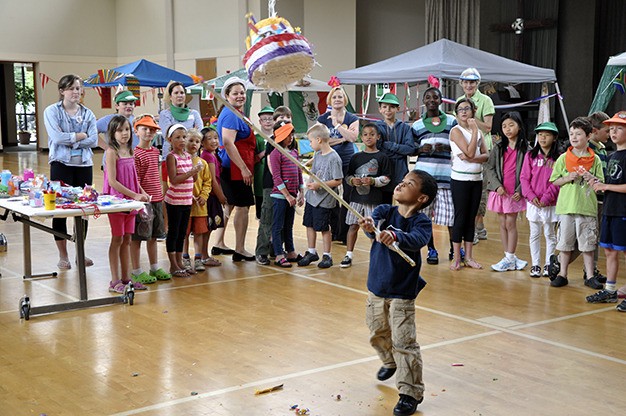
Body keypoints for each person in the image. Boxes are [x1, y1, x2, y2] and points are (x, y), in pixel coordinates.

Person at [358, 170, 437, 416]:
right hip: (377, 287)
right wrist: (369, 227)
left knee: (404, 342)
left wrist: (395, 236)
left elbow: (416, 239)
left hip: (402, 292)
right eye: (402, 180)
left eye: (409, 183)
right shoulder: (384, 211)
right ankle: (389, 361)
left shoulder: (421, 222)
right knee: (377, 332)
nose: (401, 184)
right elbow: (373, 226)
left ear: (421, 198)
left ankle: (409, 393)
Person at [43, 74, 98, 270]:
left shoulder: (88, 114)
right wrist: (80, 136)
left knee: (83, 210)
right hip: (61, 164)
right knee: (60, 211)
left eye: (78, 88)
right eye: (72, 88)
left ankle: (80, 253)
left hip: (84, 165)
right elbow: (56, 137)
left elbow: (94, 140)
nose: (76, 92)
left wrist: (73, 138)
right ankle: (63, 255)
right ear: (62, 91)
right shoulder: (52, 111)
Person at [548, 117, 604, 288]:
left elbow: (600, 185)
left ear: (588, 136)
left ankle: (589, 275)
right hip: (567, 207)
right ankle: (563, 274)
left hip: (586, 208)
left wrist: (591, 178)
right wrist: (567, 177)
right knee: (565, 243)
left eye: (578, 134)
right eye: (572, 133)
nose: (574, 137)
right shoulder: (564, 158)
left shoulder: (595, 160)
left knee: (587, 245)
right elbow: (554, 180)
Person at [102, 115, 150, 293]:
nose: (124, 134)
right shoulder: (111, 152)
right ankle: (114, 281)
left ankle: (126, 277)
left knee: (127, 238)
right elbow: (113, 181)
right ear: (112, 133)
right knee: (117, 238)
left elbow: (134, 177)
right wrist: (134, 195)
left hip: (130, 202)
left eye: (127, 130)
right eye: (120, 130)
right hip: (117, 202)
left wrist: (142, 192)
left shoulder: (131, 151)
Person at [411, 87, 456, 264]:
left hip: (446, 178)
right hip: (424, 178)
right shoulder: (417, 125)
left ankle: (455, 248)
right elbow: (411, 148)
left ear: (441, 100)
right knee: (425, 217)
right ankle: (431, 249)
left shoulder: (452, 122)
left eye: (435, 97)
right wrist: (420, 149)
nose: (431, 100)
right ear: (424, 101)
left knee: (450, 217)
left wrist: (447, 148)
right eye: (428, 97)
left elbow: (460, 144)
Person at [587, 111, 626, 311]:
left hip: (623, 211)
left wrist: (606, 187)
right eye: (611, 128)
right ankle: (610, 290)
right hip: (610, 209)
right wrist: (596, 182)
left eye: (619, 128)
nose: (613, 132)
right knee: (609, 250)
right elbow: (611, 183)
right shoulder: (612, 156)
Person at [214, 77, 256, 261]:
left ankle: (219, 243)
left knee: (229, 206)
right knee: (242, 207)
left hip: (233, 166)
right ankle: (240, 248)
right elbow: (228, 143)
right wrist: (244, 168)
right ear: (227, 96)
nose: (240, 96)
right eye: (235, 93)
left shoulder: (235, 112)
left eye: (242, 93)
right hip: (235, 168)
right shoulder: (231, 115)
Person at [341, 123, 391, 268]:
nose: (368, 137)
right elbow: (348, 176)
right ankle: (348, 255)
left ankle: (376, 257)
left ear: (378, 137)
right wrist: (352, 181)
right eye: (365, 134)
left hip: (373, 200)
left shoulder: (382, 157)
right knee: (352, 226)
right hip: (356, 199)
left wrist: (373, 181)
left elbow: (387, 178)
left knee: (374, 229)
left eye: (372, 134)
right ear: (361, 137)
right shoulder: (355, 157)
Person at [130, 114, 171, 283]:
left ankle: (154, 267)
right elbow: (135, 179)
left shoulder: (155, 152)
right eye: (144, 129)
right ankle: (136, 270)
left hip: (156, 200)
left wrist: (160, 197)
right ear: (136, 131)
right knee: (139, 237)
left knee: (154, 235)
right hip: (143, 202)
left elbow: (156, 175)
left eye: (152, 130)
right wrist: (142, 196)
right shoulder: (136, 154)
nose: (148, 132)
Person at [485, 112, 529, 272]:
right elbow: (489, 167)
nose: (507, 129)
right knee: (502, 223)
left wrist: (520, 190)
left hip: (515, 193)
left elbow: (528, 172)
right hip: (501, 192)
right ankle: (509, 256)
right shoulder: (498, 147)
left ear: (519, 126)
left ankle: (510, 257)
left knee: (510, 223)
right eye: (504, 126)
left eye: (511, 125)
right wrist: (497, 186)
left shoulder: (526, 148)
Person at [456, 67, 495, 242]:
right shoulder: (458, 100)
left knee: (480, 190)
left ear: (478, 83)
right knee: (464, 187)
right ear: (461, 84)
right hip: (464, 149)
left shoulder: (486, 100)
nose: (468, 85)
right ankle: (473, 227)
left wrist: (471, 119)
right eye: (465, 82)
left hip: (482, 150)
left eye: (472, 82)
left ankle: (478, 226)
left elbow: (488, 127)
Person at [448, 99, 488, 270]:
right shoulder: (455, 131)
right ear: (456, 113)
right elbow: (471, 151)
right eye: (460, 109)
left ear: (473, 111)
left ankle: (469, 257)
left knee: (471, 218)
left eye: (467, 108)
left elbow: (486, 155)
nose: (464, 112)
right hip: (460, 180)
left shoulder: (477, 131)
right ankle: (457, 257)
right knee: (460, 217)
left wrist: (472, 157)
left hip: (476, 179)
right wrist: (473, 132)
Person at [297, 123, 343, 268]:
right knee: (309, 224)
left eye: (310, 141)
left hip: (325, 199)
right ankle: (311, 251)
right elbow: (314, 172)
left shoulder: (334, 158)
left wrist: (319, 185)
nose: (310, 144)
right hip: (313, 198)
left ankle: (327, 255)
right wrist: (310, 184)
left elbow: (338, 180)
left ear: (319, 140)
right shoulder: (317, 155)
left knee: (324, 227)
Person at [317, 86, 359, 243]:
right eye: (334, 97)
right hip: (328, 161)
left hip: (348, 161)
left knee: (348, 196)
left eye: (340, 97)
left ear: (345, 99)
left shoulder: (352, 118)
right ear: (330, 100)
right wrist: (342, 138)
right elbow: (319, 141)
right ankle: (333, 229)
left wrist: (336, 126)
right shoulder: (322, 119)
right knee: (330, 196)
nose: (337, 100)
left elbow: (354, 138)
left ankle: (343, 233)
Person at [520, 122, 561, 277]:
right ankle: (536, 264)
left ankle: (548, 265)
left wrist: (546, 198)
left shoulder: (559, 158)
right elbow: (524, 178)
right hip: (533, 203)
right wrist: (531, 196)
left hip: (550, 203)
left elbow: (558, 180)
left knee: (550, 234)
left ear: (555, 137)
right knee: (534, 234)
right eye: (540, 134)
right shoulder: (530, 155)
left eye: (547, 134)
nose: (543, 138)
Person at [164, 124, 204, 277]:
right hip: (174, 201)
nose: (182, 140)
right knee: (173, 232)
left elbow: (192, 179)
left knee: (182, 233)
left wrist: (196, 171)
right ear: (170, 140)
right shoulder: (171, 157)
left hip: (186, 200)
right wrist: (191, 172)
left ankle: (180, 261)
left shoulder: (188, 156)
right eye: (178, 138)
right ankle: (173, 264)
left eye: (184, 137)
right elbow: (174, 180)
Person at [255, 106, 293, 265]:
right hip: (272, 186)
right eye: (280, 119)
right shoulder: (272, 142)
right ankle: (262, 251)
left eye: (287, 119)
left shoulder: (292, 141)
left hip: (289, 187)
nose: (284, 122)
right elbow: (272, 166)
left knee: (283, 221)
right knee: (267, 218)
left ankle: (277, 249)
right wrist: (281, 186)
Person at [268, 122, 304, 267]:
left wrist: (301, 191)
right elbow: (276, 177)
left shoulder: (294, 152)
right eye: (287, 135)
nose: (290, 138)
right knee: (278, 226)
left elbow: (299, 172)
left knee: (289, 225)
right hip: (280, 197)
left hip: (293, 196)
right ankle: (278, 254)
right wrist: (287, 195)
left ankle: (291, 251)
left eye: (291, 135)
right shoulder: (275, 153)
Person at [375, 93, 416, 205]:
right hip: (382, 172)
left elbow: (410, 149)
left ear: (398, 108)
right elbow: (377, 148)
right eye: (384, 106)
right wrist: (399, 151)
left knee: (402, 206)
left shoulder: (405, 128)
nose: (388, 110)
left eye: (392, 107)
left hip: (401, 172)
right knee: (384, 206)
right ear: (380, 109)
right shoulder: (376, 127)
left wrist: (390, 145)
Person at [182, 129, 212, 272]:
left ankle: (198, 258)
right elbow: (173, 181)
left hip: (200, 206)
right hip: (184, 204)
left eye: (197, 141)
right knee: (184, 233)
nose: (194, 144)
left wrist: (204, 196)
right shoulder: (179, 160)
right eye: (191, 140)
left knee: (199, 233)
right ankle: (185, 258)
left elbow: (208, 182)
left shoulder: (203, 163)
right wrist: (186, 195)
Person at [199, 126, 225, 267]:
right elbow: (212, 180)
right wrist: (221, 196)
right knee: (207, 227)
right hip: (210, 196)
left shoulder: (213, 154)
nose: (214, 141)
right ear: (202, 142)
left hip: (213, 196)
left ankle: (204, 254)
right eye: (209, 139)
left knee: (209, 227)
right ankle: (203, 255)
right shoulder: (207, 156)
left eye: (216, 138)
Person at [96, 90, 138, 169]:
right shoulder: (109, 119)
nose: (128, 106)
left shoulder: (135, 120)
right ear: (117, 106)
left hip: (130, 161)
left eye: (131, 104)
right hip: (114, 161)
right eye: (125, 104)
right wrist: (107, 147)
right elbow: (91, 131)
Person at [254, 106, 275, 219]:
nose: (267, 121)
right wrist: (265, 152)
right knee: (261, 213)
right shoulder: (256, 138)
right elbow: (252, 159)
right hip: (260, 178)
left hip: (275, 179)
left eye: (270, 119)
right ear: (260, 122)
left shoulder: (279, 138)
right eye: (264, 119)